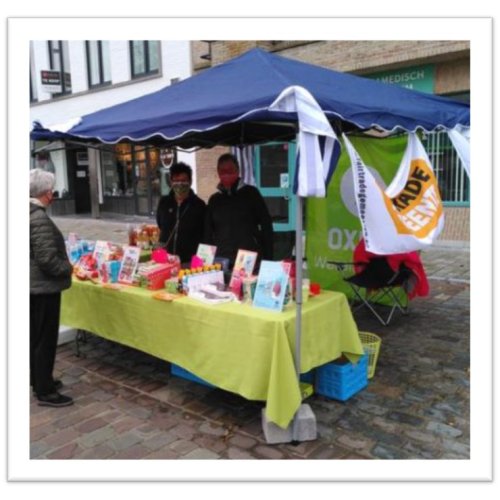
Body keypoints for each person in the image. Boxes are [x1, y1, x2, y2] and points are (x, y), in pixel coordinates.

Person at [30, 168, 74, 407]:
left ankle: (39, 379)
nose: (53, 195)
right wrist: (67, 268)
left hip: (33, 286)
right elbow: (47, 259)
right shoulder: (38, 218)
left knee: (34, 336)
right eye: (52, 191)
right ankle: (45, 390)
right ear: (46, 193)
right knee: (44, 339)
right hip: (43, 289)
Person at [205, 153, 274, 268]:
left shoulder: (251, 193)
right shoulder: (214, 200)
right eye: (223, 171)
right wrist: (206, 261)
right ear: (218, 173)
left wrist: (268, 259)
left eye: (230, 170)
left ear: (238, 171)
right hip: (221, 260)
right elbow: (207, 233)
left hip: (248, 260)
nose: (226, 173)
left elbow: (266, 225)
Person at [156, 162, 206, 265]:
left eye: (183, 181)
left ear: (190, 181)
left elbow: (204, 235)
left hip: (187, 263)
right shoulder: (164, 202)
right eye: (176, 180)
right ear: (171, 181)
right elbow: (161, 225)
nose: (180, 184)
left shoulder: (200, 205)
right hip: (165, 262)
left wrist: (197, 263)